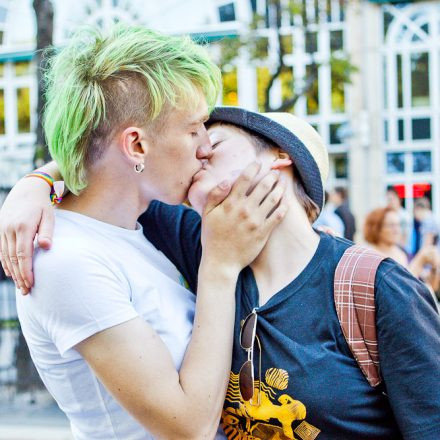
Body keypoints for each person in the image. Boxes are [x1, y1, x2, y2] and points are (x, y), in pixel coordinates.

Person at [2, 106, 440, 439]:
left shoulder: (377, 287)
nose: (199, 154)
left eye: (216, 143)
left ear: (279, 157)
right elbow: (105, 171)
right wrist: (35, 185)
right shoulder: (202, 243)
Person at [0, 26, 287, 439]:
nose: (206, 145)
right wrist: (220, 267)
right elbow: (188, 428)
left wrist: (38, 180)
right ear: (136, 146)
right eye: (193, 129)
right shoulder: (66, 260)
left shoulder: (138, 226)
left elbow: (94, 161)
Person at [386, 187, 411, 252]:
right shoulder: (389, 214)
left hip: (401, 250)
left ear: (398, 199)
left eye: (391, 199)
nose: (389, 202)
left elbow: (405, 236)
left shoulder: (404, 216)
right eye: (388, 200)